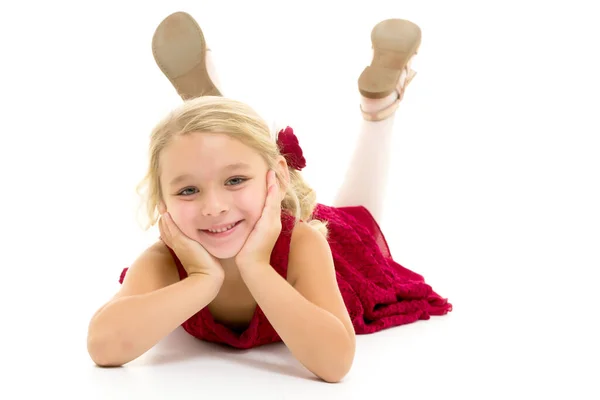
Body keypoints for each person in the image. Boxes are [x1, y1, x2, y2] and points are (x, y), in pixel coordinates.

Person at [86, 11, 452, 383]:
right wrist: (201, 279)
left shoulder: (305, 245)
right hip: (257, 207)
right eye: (188, 190)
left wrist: (258, 267)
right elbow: (102, 346)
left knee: (358, 222)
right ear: (162, 203)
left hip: (329, 245)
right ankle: (217, 126)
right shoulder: (165, 261)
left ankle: (378, 110)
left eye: (234, 181)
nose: (214, 208)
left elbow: (335, 365)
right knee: (228, 160)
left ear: (276, 177)